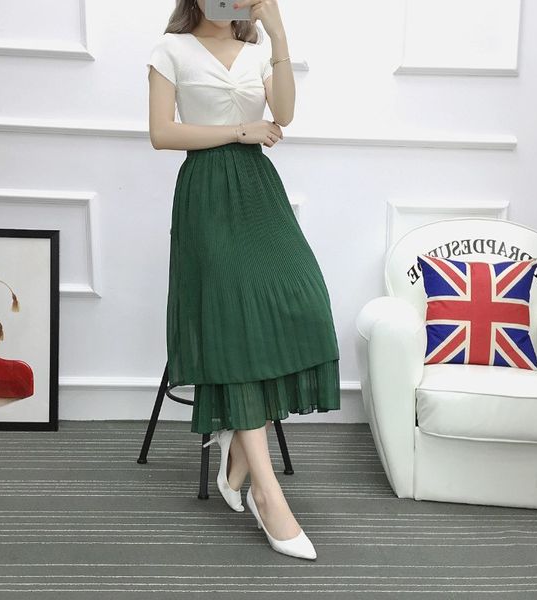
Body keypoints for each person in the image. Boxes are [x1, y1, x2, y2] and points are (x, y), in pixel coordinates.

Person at [147, 0, 340, 560]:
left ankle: (237, 451)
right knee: (234, 319)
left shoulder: (257, 51)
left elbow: (285, 114)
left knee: (304, 299)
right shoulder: (171, 49)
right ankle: (266, 492)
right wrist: (240, 131)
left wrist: (278, 32)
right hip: (207, 193)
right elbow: (162, 133)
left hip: (258, 189)